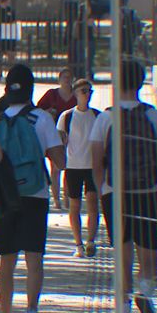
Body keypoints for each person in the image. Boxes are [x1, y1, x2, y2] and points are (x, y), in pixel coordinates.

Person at [90, 60, 157, 313]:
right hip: (149, 193)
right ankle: (145, 293)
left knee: (123, 257)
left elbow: (97, 162)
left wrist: (104, 193)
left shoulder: (105, 118)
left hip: (116, 194)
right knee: (150, 259)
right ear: (141, 82)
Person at [0, 64, 66, 313]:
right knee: (34, 257)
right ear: (30, 88)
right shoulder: (41, 118)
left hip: (4, 197)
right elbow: (61, 161)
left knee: (6, 260)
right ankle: (32, 310)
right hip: (35, 194)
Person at [56, 79, 100, 258]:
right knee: (74, 205)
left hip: (92, 167)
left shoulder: (97, 116)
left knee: (93, 204)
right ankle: (78, 244)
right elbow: (59, 140)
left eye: (90, 91)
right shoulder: (66, 117)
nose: (87, 94)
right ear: (75, 93)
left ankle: (91, 241)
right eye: (83, 91)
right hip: (73, 166)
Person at [36, 67, 76, 209]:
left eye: (69, 77)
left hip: (72, 136)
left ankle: (67, 197)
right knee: (55, 168)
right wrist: (49, 112)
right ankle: (56, 199)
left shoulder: (76, 96)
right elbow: (38, 110)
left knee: (69, 167)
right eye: (64, 77)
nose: (66, 80)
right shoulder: (51, 95)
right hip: (54, 134)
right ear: (59, 80)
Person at [0, 0, 17, 79]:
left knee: (11, 54)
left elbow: (14, 21)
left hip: (9, 34)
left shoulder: (10, 10)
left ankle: (10, 74)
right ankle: (0, 75)